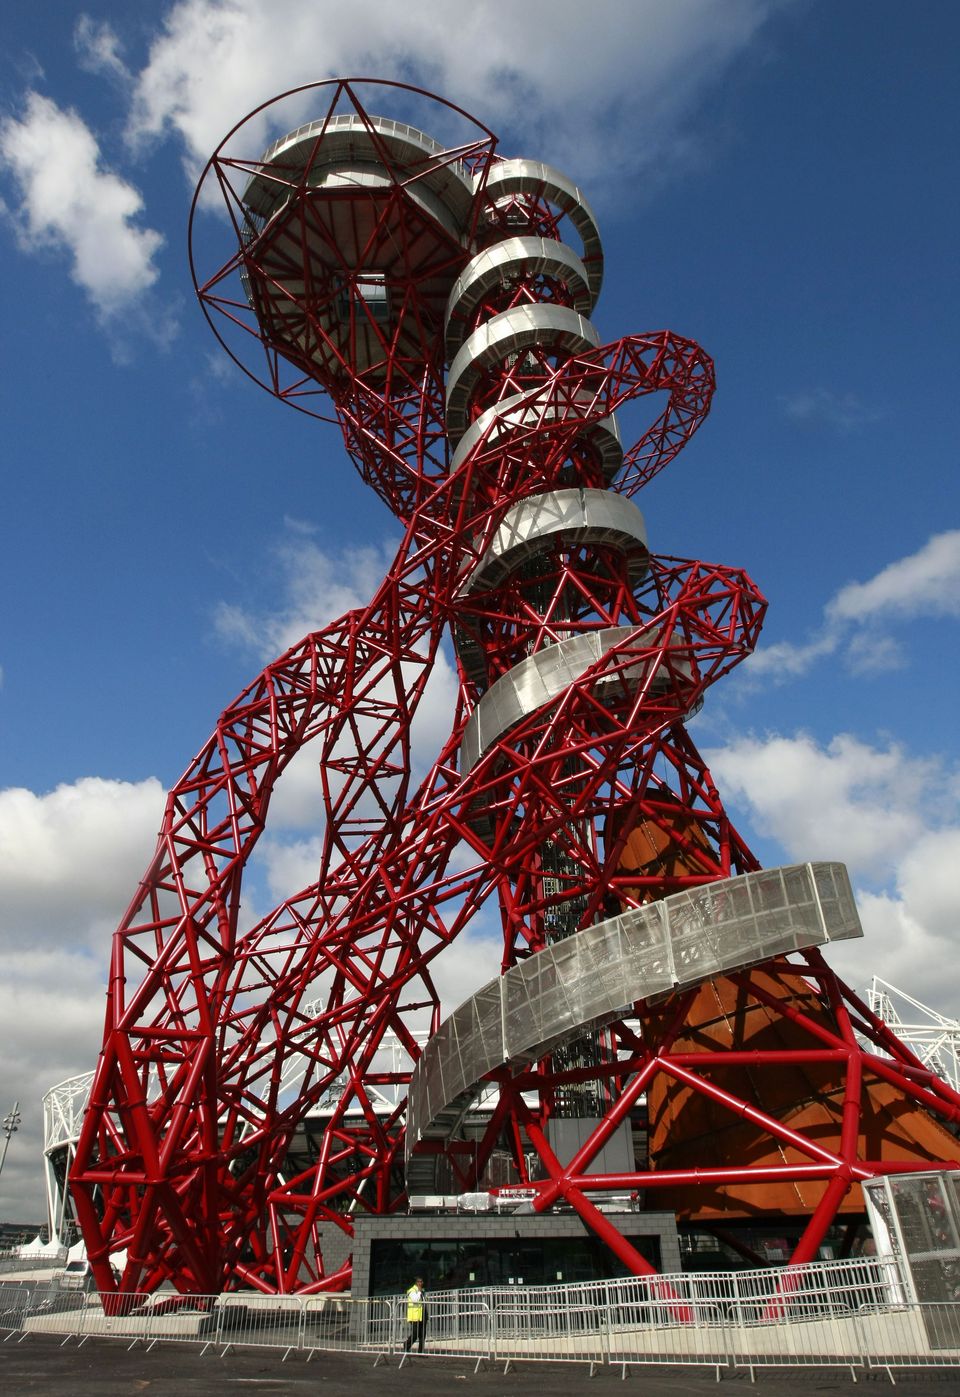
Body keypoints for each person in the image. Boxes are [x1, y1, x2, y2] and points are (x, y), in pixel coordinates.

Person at [404, 1276, 426, 1353]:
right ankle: (406, 1345)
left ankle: (421, 1352)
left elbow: (423, 1303)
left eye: (422, 1282)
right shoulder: (412, 1291)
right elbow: (415, 1300)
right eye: (420, 1282)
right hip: (414, 1316)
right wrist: (420, 1292)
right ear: (416, 1283)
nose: (421, 1283)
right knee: (415, 1334)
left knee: (422, 1335)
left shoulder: (422, 1291)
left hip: (422, 1316)